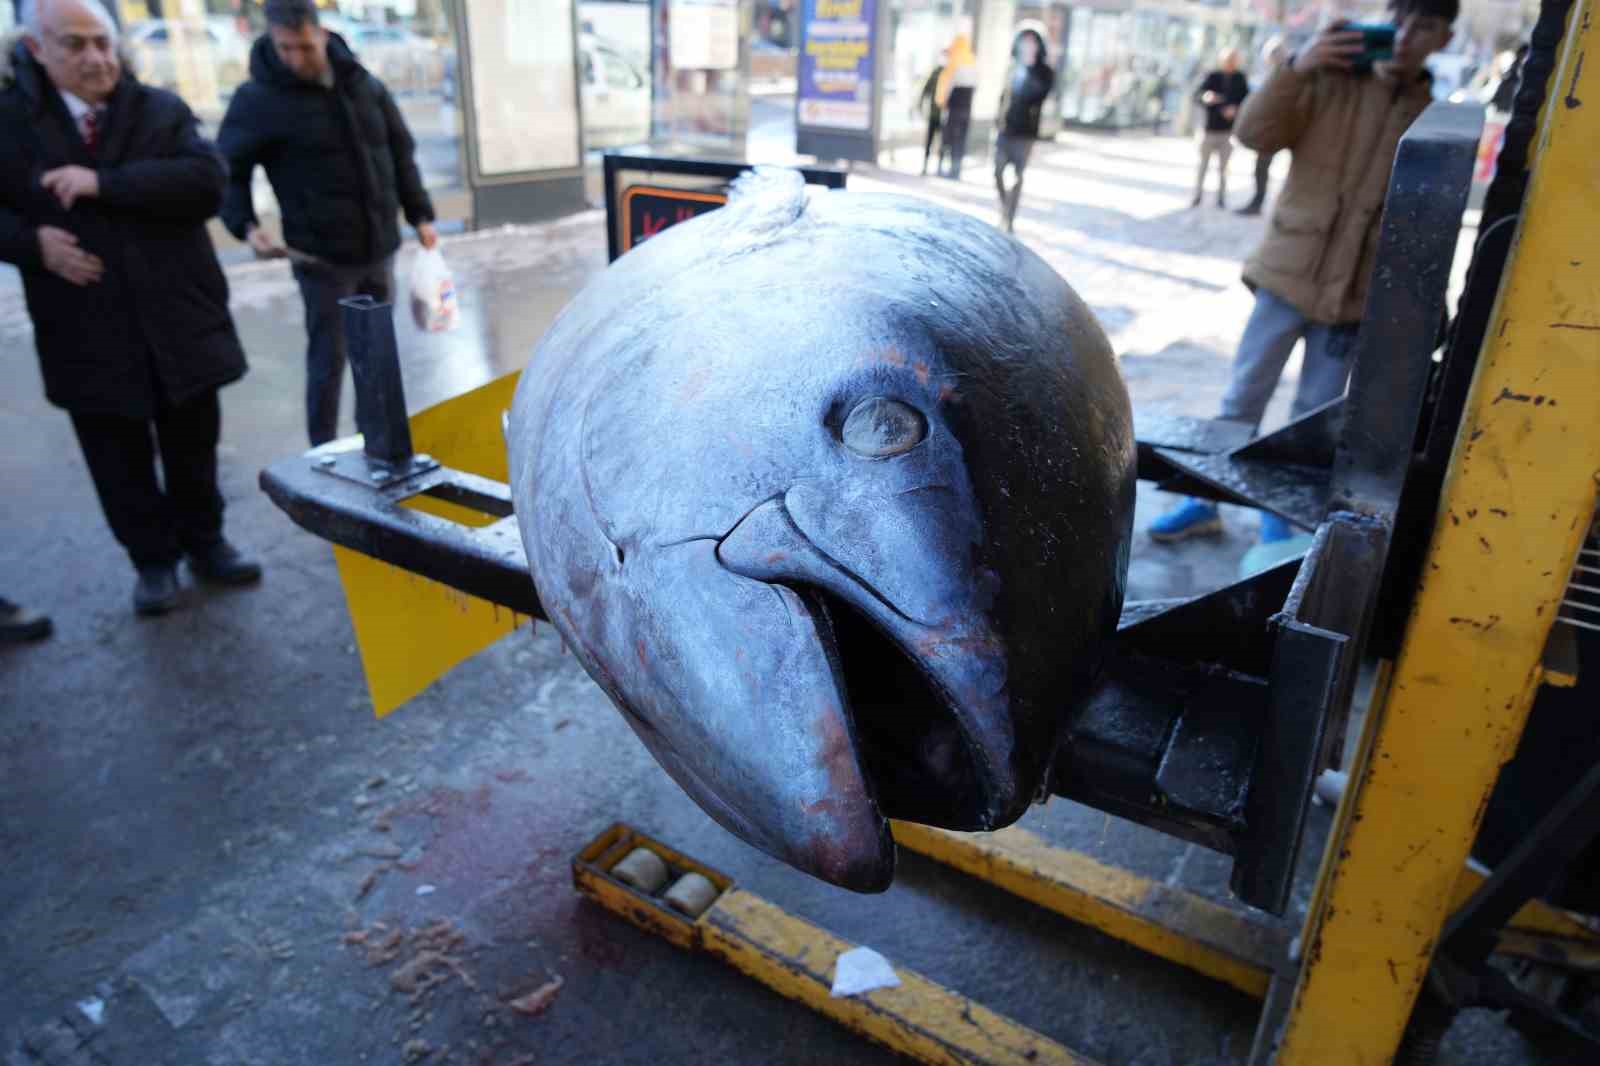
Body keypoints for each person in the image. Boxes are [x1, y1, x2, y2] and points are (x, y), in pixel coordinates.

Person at [1150, 1, 1457, 544]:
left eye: (1424, 26)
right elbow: (1252, 132)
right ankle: (1203, 502)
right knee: (1241, 397)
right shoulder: (1326, 82)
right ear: (1381, 20)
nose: (1407, 36)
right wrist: (1297, 67)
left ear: (1444, 37)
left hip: (1354, 297)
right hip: (1287, 275)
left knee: (1312, 419)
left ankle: (1279, 523)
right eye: (1399, 19)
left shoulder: (1431, 113)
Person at [1, 0, 260, 617]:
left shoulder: (158, 110)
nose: (95, 57)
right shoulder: (11, 124)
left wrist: (105, 185)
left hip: (179, 319)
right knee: (117, 457)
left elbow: (206, 182)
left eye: (102, 43)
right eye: (75, 44)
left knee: (193, 444)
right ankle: (152, 562)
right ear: (38, 49)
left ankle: (207, 544)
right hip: (85, 327)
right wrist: (30, 244)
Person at [217, 0, 438, 447]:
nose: (296, 58)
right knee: (329, 360)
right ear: (272, 40)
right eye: (285, 48)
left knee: (376, 355)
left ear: (321, 33)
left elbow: (398, 152)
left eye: (303, 46)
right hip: (320, 258)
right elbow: (227, 170)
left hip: (378, 248)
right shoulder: (258, 99)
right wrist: (245, 224)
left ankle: (375, 443)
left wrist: (421, 214)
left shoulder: (362, 83)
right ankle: (322, 453)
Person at [994, 25, 1055, 234]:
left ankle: (1009, 218)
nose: (1027, 46)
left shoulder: (1044, 72)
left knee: (1017, 176)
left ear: (1038, 45)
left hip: (1025, 133)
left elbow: (1039, 95)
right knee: (998, 172)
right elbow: (1003, 96)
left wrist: (1029, 69)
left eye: (1032, 42)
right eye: (1024, 41)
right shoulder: (1012, 66)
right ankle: (1005, 207)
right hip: (1005, 129)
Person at [1191, 48, 1249, 208]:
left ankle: (1221, 198)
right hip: (1209, 129)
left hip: (1228, 132)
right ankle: (1197, 195)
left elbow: (1246, 100)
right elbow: (1197, 95)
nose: (1230, 63)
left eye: (1233, 60)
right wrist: (1206, 97)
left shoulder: (1240, 78)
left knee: (1224, 168)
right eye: (1228, 60)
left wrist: (1236, 109)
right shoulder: (1212, 76)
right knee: (1203, 165)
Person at [1236, 38, 1287, 216]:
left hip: (1277, 131)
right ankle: (1257, 202)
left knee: (1263, 167)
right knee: (1260, 168)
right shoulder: (1272, 74)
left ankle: (1259, 203)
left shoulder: (1285, 75)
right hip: (1269, 131)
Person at [935, 33, 977, 180]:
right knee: (960, 140)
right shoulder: (972, 60)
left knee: (948, 139)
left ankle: (942, 168)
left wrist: (942, 102)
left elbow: (947, 85)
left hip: (954, 108)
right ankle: (956, 171)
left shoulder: (955, 61)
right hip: (967, 109)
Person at [918, 51, 946, 177]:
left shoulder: (950, 73)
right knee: (931, 141)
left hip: (944, 115)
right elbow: (926, 91)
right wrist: (920, 105)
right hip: (935, 114)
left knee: (943, 143)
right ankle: (925, 166)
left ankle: (939, 168)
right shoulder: (937, 72)